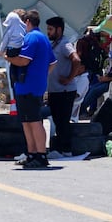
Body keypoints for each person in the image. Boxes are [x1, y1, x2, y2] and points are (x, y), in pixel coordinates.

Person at [5, 10, 56, 169]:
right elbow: (52, 62)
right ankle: (32, 153)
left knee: (34, 121)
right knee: (26, 121)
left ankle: (40, 155)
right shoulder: (42, 38)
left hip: (29, 86)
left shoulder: (32, 37)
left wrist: (7, 57)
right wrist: (41, 74)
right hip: (28, 85)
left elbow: (22, 61)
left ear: (26, 22)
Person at [46, 16, 82, 156]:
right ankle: (60, 149)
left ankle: (65, 150)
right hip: (55, 90)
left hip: (65, 90)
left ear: (59, 30)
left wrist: (69, 78)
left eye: (50, 29)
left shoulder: (64, 44)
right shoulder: (54, 44)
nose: (48, 32)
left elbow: (76, 60)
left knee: (62, 121)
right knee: (57, 120)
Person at [80, 49, 112, 116]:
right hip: (106, 82)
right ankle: (82, 109)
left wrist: (108, 79)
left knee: (94, 91)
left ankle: (81, 110)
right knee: (90, 88)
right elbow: (111, 74)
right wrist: (103, 78)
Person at [0, 9, 27, 84]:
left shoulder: (10, 30)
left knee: (14, 67)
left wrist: (1, 51)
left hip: (12, 50)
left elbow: (4, 41)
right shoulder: (24, 30)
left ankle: (14, 79)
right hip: (20, 51)